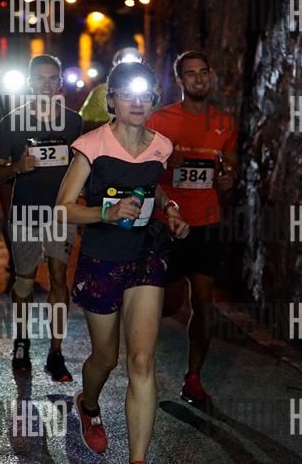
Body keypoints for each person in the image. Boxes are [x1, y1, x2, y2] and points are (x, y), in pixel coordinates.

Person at [57, 62, 189, 461]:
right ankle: (88, 405)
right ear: (111, 100)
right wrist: (106, 213)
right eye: (127, 95)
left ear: (154, 100)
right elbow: (63, 209)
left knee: (142, 360)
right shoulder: (91, 145)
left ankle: (137, 458)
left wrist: (171, 208)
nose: (137, 102)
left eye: (145, 95)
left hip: (147, 252)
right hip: (102, 257)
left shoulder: (162, 145)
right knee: (106, 358)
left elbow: (153, 187)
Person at [145, 50, 238, 403]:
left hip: (206, 222)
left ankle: (194, 377)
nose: (199, 79)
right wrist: (168, 162)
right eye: (190, 73)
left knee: (204, 298)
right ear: (179, 80)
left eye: (203, 72)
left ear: (210, 75)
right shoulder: (159, 120)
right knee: (169, 303)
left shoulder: (224, 122)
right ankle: (141, 358)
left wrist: (228, 179)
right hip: (167, 222)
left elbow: (230, 167)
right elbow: (142, 166)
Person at [0, 54, 83, 381]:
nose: (46, 84)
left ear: (60, 83)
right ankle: (21, 341)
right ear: (29, 83)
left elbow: (85, 164)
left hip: (61, 212)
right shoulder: (12, 121)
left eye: (53, 78)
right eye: (40, 78)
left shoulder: (73, 122)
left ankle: (56, 352)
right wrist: (17, 167)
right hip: (26, 211)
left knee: (58, 277)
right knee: (25, 280)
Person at [79, 47, 142, 133]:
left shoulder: (148, 93)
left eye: (136, 64)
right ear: (115, 67)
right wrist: (111, 127)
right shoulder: (101, 92)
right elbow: (82, 123)